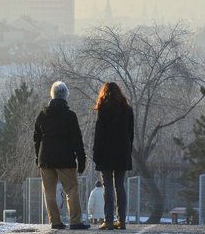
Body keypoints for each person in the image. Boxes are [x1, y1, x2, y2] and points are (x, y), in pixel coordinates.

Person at [34, 81, 90, 230]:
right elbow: (77, 140)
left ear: (52, 95)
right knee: (71, 189)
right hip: (65, 158)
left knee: (49, 192)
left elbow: (36, 138)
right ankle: (75, 221)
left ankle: (55, 222)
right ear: (66, 96)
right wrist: (82, 159)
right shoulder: (70, 115)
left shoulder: (42, 114)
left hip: (45, 158)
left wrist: (37, 157)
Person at [93, 82, 134, 230]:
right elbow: (131, 134)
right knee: (120, 186)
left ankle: (108, 220)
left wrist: (96, 154)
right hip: (122, 153)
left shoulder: (103, 109)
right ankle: (122, 220)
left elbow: (99, 134)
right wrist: (127, 151)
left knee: (108, 187)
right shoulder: (128, 110)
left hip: (106, 154)